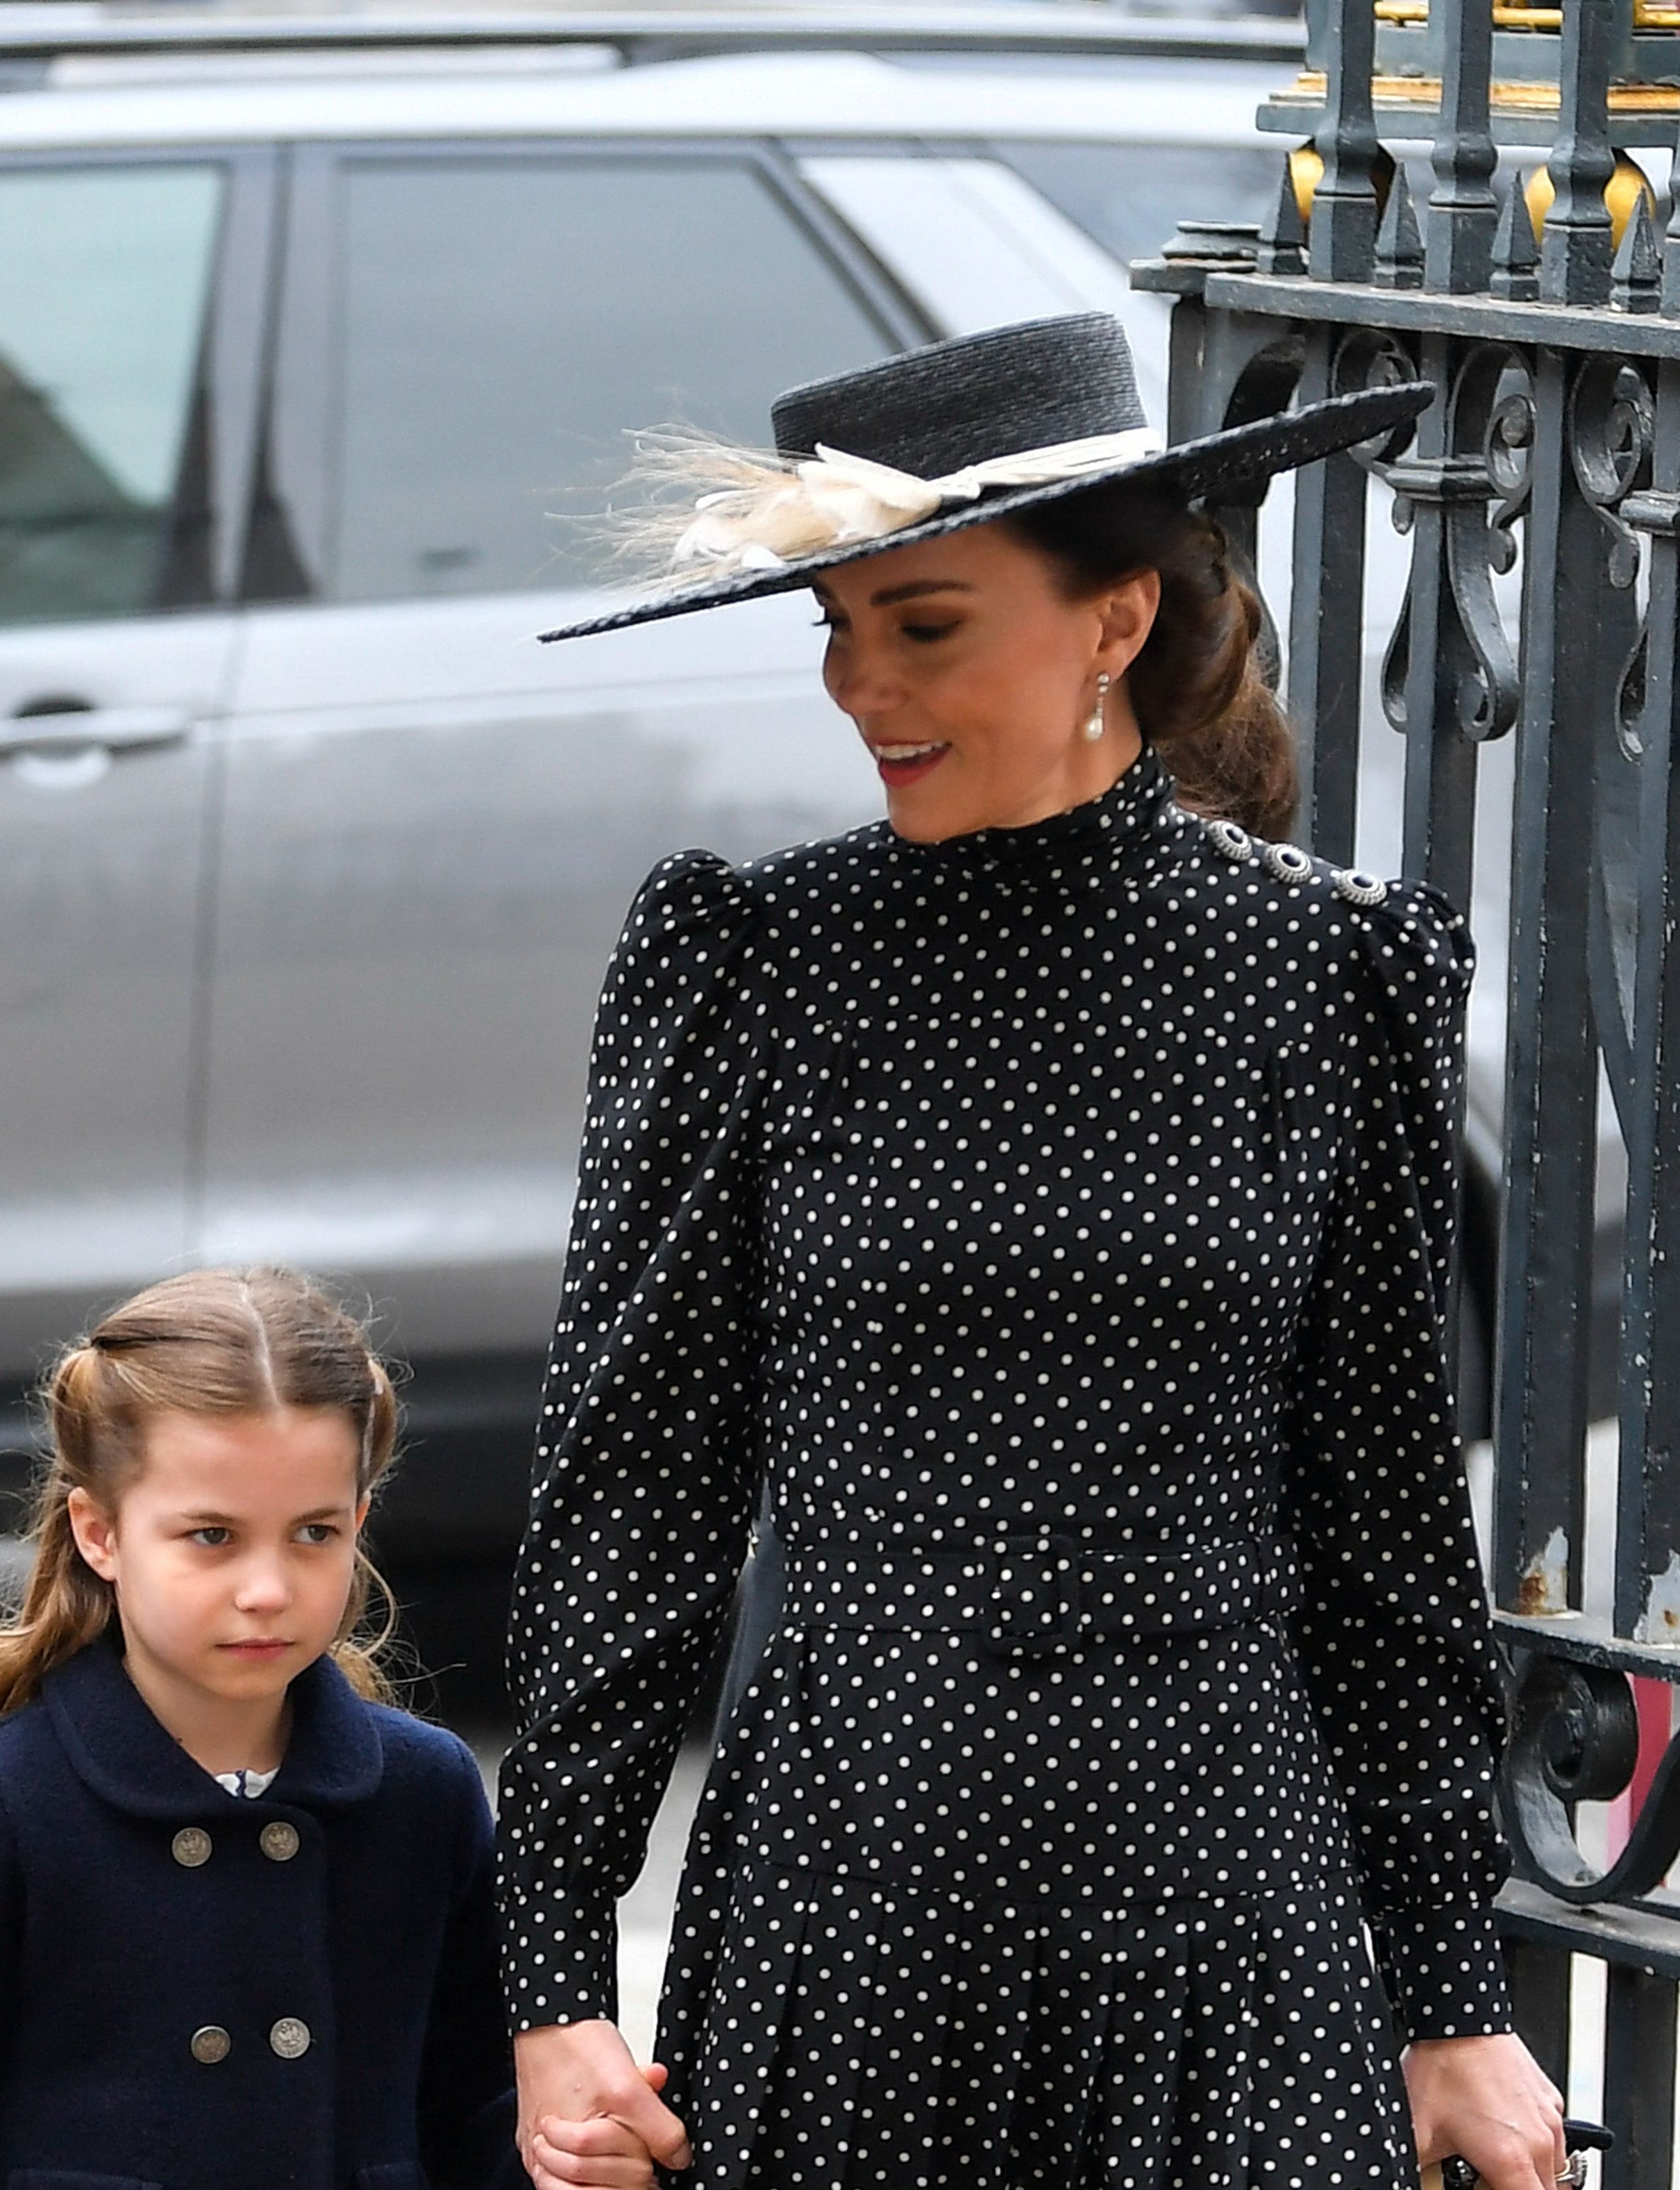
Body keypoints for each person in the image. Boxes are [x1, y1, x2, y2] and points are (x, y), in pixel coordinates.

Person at [498, 312, 1566, 2190]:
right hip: (856, 1888)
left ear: (1111, 620)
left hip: (1223, 1897)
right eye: (835, 627)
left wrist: (1450, 2001)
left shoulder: (1329, 975)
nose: (857, 684)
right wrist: (556, 1976)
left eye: (923, 626)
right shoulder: (751, 962)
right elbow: (635, 1491)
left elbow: (1384, 1520)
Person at [0, 1267, 519, 2190]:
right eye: (212, 1536)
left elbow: (483, 2113)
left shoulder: (424, 1792)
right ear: (99, 1532)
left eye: (313, 1533)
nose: (267, 1588)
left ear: (360, 1521)